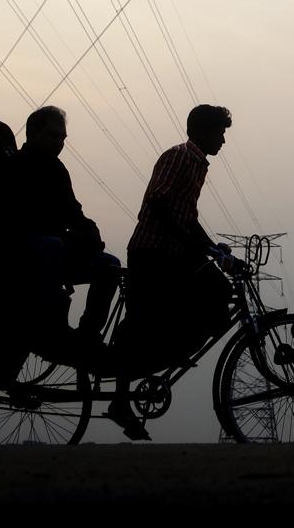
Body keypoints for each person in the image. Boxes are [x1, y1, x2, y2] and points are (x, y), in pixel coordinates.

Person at [108, 104, 236, 440]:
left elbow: (187, 216)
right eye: (219, 132)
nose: (223, 140)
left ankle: (170, 351)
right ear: (203, 131)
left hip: (174, 253)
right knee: (140, 323)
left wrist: (212, 246)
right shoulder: (179, 156)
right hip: (152, 251)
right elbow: (158, 201)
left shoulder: (198, 165)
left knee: (218, 298)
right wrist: (189, 241)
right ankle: (122, 398)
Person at [0, 106, 120, 357]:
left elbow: (74, 212)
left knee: (110, 266)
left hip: (56, 248)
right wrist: (69, 236)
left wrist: (90, 233)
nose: (59, 143)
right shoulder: (14, 167)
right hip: (19, 249)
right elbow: (20, 220)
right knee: (53, 246)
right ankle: (52, 326)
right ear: (33, 134)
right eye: (53, 136)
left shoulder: (57, 170)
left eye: (62, 138)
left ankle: (88, 336)